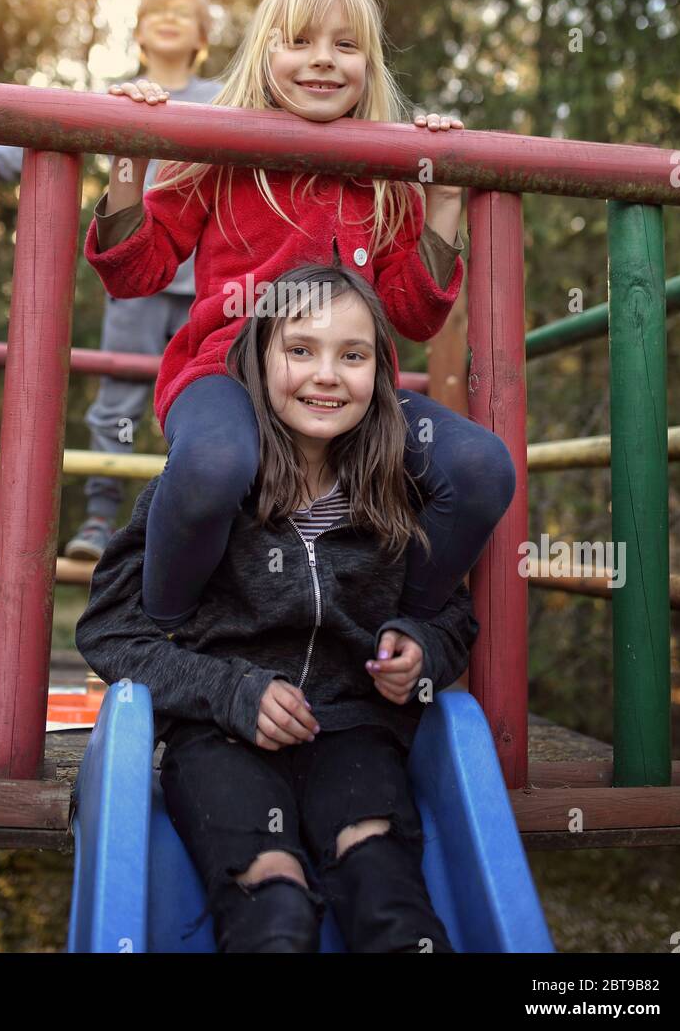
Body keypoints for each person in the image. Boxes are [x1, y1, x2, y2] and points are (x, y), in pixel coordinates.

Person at [85, 0, 516, 628]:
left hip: (348, 389)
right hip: (228, 373)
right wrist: (127, 161)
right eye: (301, 42)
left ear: (370, 65)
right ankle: (161, 629)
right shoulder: (219, 149)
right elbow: (132, 273)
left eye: (346, 46)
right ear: (265, 52)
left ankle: (390, 632)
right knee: (216, 462)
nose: (323, 61)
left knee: (481, 468)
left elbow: (412, 315)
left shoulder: (387, 172)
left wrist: (445, 198)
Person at [76, 263, 481, 953]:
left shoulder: (395, 492)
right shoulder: (201, 496)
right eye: (300, 350)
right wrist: (229, 689)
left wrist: (418, 649)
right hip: (221, 736)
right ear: (256, 361)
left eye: (352, 356)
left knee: (383, 879)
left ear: (378, 376)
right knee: (275, 895)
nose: (327, 375)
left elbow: (453, 617)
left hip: (355, 732)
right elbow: (109, 630)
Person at [0, 0, 222, 559]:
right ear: (136, 32)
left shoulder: (224, 96)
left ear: (202, 35)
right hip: (137, 279)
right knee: (120, 391)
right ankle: (100, 515)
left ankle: (204, 521)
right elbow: (37, 132)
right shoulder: (120, 96)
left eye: (182, 12)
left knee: (217, 394)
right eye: (155, 11)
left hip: (209, 283)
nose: (168, 19)